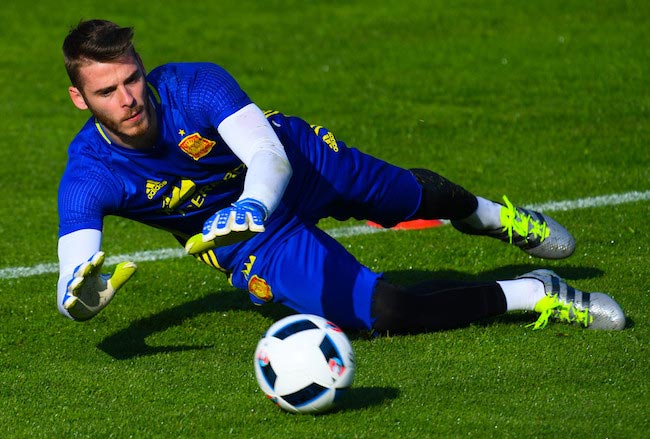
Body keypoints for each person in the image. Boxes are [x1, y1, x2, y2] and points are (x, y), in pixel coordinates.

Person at [57, 19, 625, 334]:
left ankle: (488, 216)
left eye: (131, 78)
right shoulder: (88, 176)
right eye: (107, 91)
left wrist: (254, 201)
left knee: (407, 195)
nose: (130, 98)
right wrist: (80, 302)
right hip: (253, 241)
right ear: (79, 99)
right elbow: (73, 272)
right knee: (387, 314)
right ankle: (536, 292)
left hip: (298, 165)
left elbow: (267, 154)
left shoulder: (195, 85)